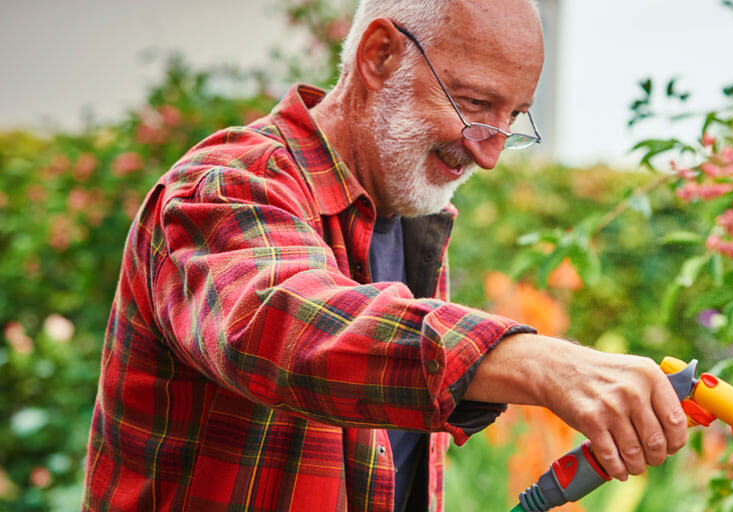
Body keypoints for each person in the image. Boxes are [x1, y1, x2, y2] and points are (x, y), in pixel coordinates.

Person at [83, 1, 688, 510]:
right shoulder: (227, 186)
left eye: (512, 119)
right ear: (380, 56)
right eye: (475, 106)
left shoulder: (407, 216)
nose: (490, 154)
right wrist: (540, 363)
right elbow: (286, 323)